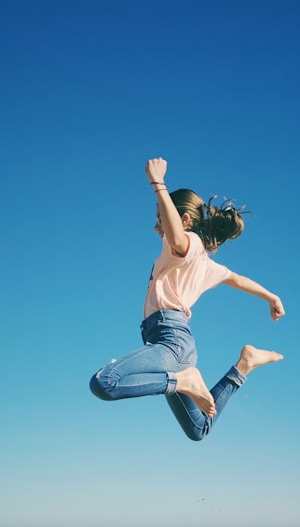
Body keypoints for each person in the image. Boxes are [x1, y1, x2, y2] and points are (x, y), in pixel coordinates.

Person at [89, 157, 285, 441]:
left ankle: (185, 381)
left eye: (161, 220)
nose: (157, 228)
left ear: (184, 220)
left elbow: (179, 240)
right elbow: (237, 279)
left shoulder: (187, 244)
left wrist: (159, 185)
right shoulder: (206, 264)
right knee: (199, 428)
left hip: (171, 339)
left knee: (104, 383)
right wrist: (271, 296)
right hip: (173, 344)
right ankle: (244, 366)